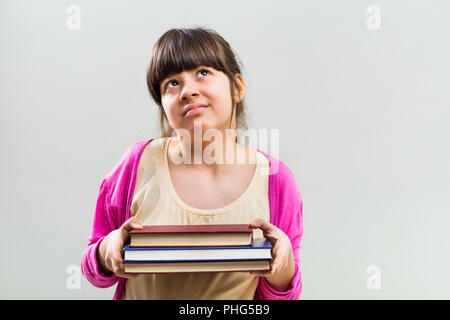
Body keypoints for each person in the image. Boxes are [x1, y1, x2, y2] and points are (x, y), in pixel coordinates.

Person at [81, 27, 303, 300]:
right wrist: (107, 251)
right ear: (163, 106)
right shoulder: (136, 165)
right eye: (172, 83)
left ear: (237, 88)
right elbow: (92, 266)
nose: (188, 91)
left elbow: (284, 295)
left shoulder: (275, 180)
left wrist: (283, 263)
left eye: (203, 72)